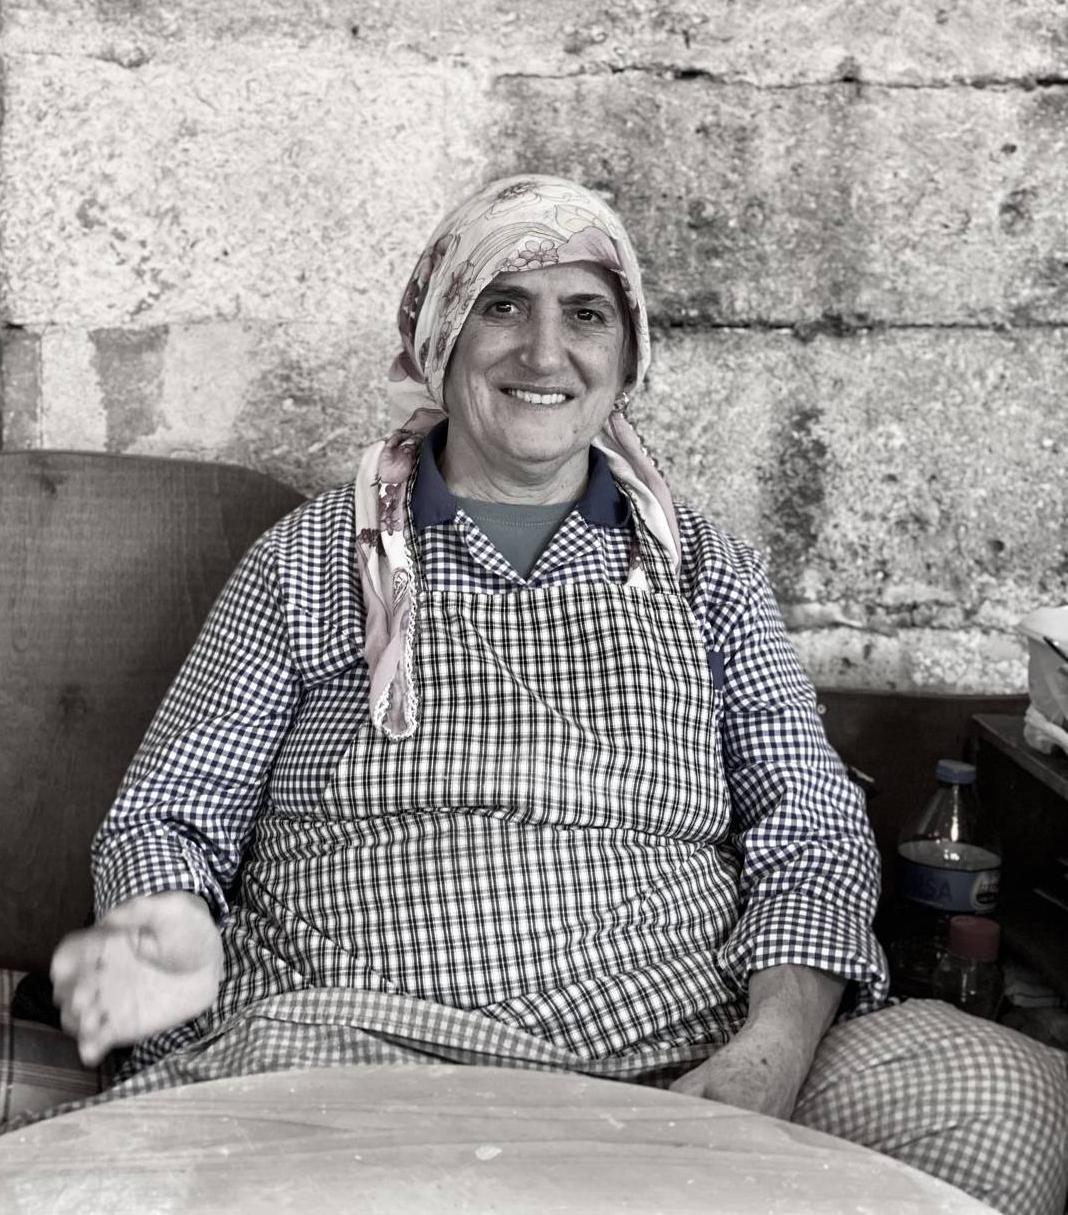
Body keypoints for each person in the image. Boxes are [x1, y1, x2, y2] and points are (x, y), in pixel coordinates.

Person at [52, 176, 1066, 1214]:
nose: (545, 354)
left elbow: (809, 829)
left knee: (992, 1097)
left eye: (585, 315)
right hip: (357, 1043)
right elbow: (167, 816)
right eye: (502, 306)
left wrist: (771, 1050)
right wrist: (166, 930)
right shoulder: (312, 558)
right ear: (440, 333)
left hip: (678, 1052)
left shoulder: (707, 570)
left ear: (626, 355)